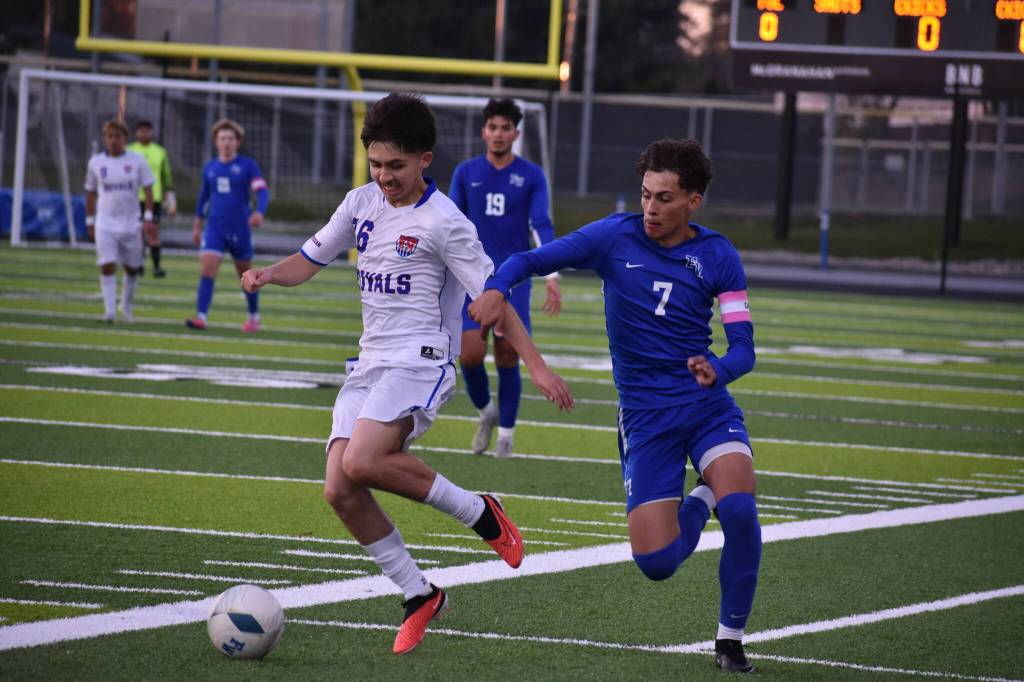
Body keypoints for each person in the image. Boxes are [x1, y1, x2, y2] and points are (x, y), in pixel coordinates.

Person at [240, 93, 574, 656]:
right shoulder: (359, 203)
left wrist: (536, 365)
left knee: (363, 460)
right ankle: (419, 594)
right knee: (339, 487)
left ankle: (481, 512)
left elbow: (495, 297)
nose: (384, 175)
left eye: (395, 165)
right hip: (369, 360)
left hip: (422, 359)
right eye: (376, 164)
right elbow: (311, 258)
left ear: (425, 158)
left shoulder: (447, 223)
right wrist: (269, 273)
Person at [470, 139, 761, 673]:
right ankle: (701, 499)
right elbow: (529, 259)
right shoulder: (614, 236)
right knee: (656, 564)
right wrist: (497, 286)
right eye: (646, 194)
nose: (650, 208)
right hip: (646, 420)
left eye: (665, 198)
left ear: (693, 201)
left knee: (742, 509)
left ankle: (730, 639)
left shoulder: (717, 255)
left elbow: (745, 348)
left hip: (706, 407)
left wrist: (717, 369)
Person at [449, 98, 561, 459]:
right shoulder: (466, 172)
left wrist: (552, 275)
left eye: (505, 128)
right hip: (471, 276)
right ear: (484, 131)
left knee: (509, 355)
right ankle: (487, 414)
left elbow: (540, 223)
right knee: (469, 354)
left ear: (515, 133)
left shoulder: (531, 175)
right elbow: (450, 221)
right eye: (492, 127)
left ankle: (507, 436)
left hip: (514, 278)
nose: (498, 134)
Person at [186, 118, 269, 332]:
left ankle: (253, 317)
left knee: (247, 276)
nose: (226, 142)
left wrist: (259, 212)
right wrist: (197, 226)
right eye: (222, 138)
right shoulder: (210, 168)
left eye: (230, 138)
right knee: (207, 269)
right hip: (214, 228)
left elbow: (262, 191)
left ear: (237, 142)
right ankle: (201, 317)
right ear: (216, 141)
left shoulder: (247, 165)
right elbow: (203, 198)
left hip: (240, 229)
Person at [84, 119, 156, 324]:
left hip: (131, 222)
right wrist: (90, 220)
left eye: (118, 136)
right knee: (107, 264)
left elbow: (149, 188)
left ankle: (125, 306)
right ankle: (109, 311)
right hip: (105, 223)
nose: (114, 140)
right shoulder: (96, 162)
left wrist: (149, 217)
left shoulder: (137, 161)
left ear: (126, 139)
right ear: (105, 138)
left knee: (132, 267)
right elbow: (90, 191)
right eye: (110, 136)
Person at [127, 120, 176, 278]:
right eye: (141, 130)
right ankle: (138, 265)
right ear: (136, 133)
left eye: (147, 130)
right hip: (134, 197)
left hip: (153, 198)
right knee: (137, 233)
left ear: (152, 132)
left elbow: (166, 175)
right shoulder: (129, 150)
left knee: (152, 232)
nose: (144, 133)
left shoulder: (159, 151)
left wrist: (169, 197)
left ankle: (156, 267)